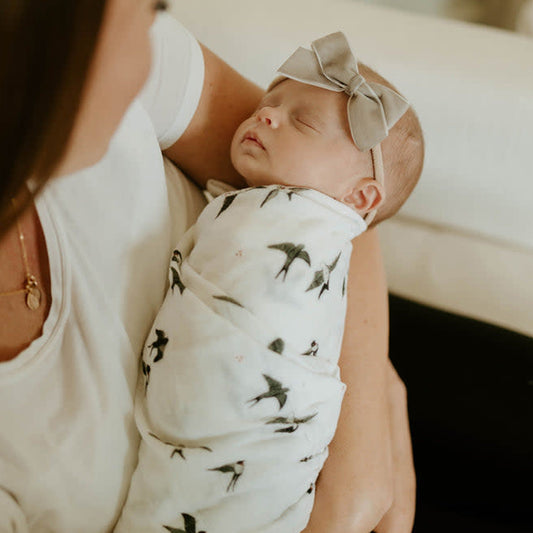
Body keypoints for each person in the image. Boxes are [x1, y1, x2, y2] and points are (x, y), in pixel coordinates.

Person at [0, 2, 415, 532]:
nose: (155, 45)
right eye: (151, 14)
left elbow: (341, 205)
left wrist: (360, 469)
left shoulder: (113, 54)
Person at [114, 32, 424, 533]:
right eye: (266, 104)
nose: (266, 116)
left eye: (302, 121)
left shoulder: (321, 228)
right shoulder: (255, 201)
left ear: (359, 198)